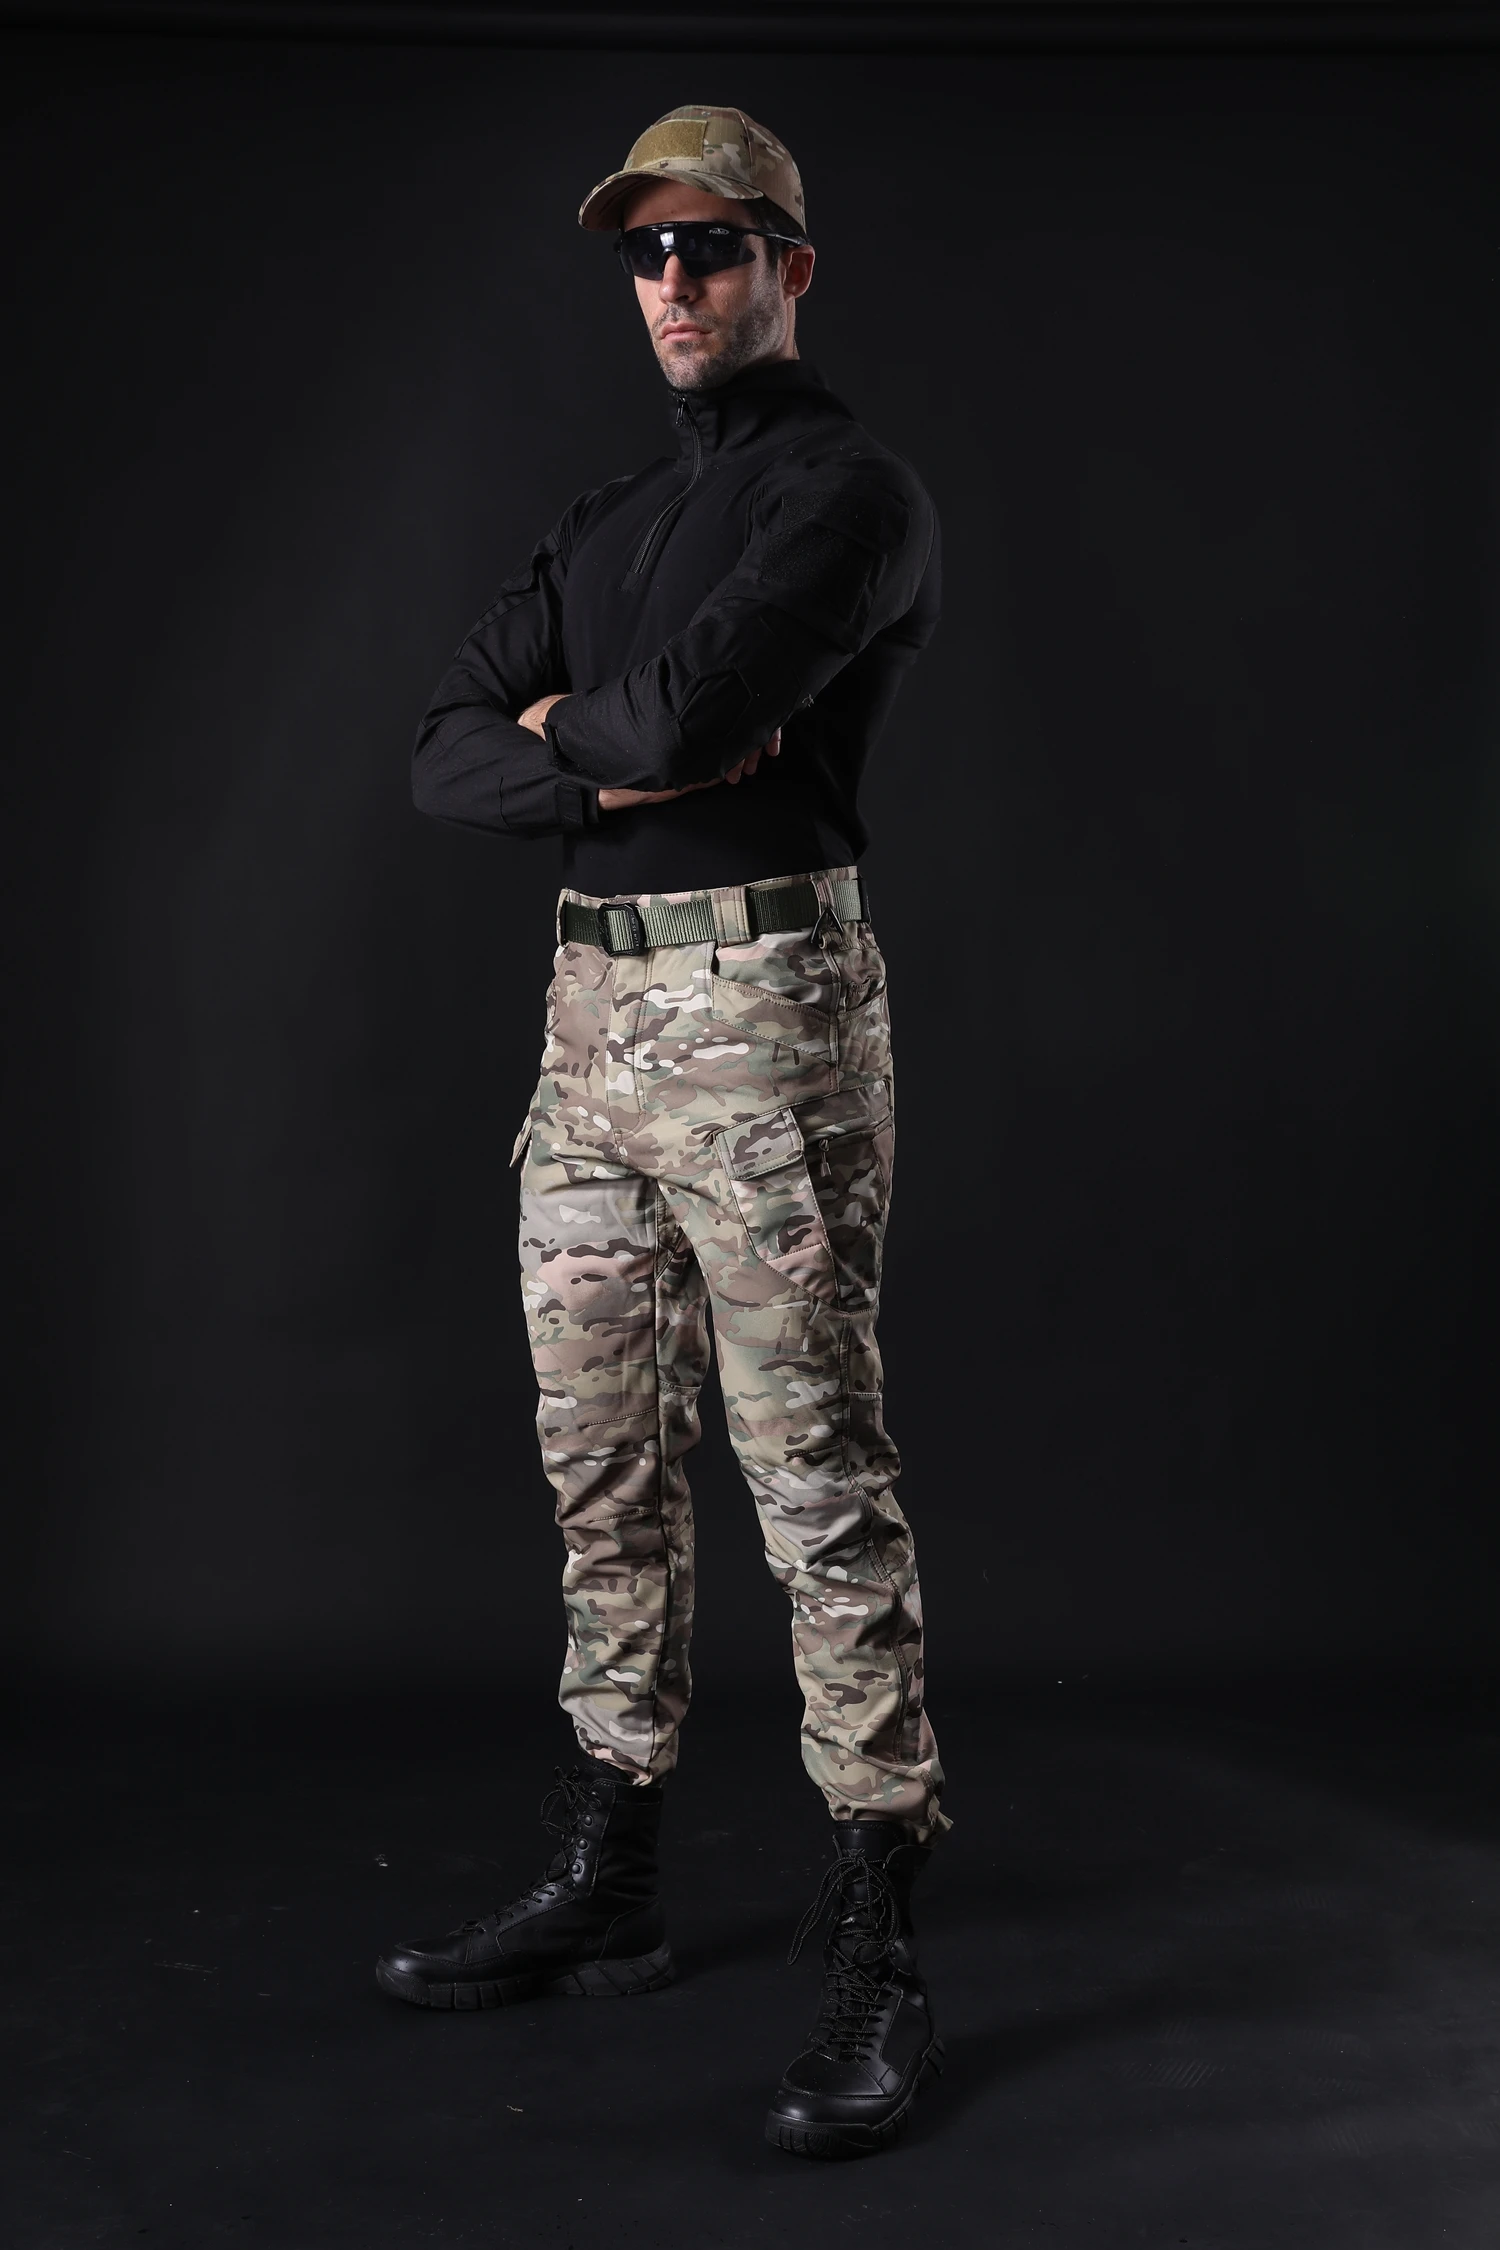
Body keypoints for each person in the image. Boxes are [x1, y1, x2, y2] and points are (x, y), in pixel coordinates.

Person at [377, 104, 946, 2160]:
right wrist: (589, 752)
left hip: (766, 1012)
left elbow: (687, 718)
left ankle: (879, 1936)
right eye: (649, 251)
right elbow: (443, 751)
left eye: (717, 245)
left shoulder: (850, 497)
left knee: (815, 1477)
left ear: (793, 263)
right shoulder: (608, 517)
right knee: (600, 1461)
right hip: (590, 1018)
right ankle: (609, 1871)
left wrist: (583, 735)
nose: (680, 281)